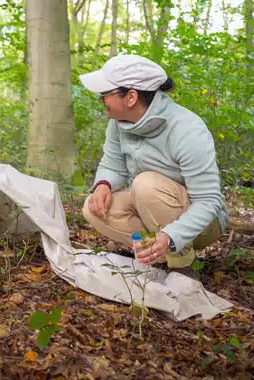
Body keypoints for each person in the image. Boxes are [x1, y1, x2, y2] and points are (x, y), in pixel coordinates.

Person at [79, 54, 228, 268]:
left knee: (145, 184)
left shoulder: (187, 129)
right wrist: (104, 184)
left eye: (105, 94)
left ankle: (181, 265)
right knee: (92, 207)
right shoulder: (118, 124)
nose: (101, 100)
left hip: (203, 223)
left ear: (131, 97)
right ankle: (155, 254)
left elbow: (208, 201)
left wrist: (170, 235)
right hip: (152, 207)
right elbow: (112, 164)